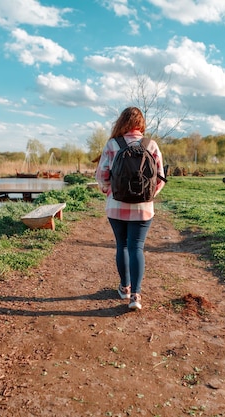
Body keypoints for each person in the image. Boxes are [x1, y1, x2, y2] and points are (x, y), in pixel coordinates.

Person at [95, 107, 166, 310]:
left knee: (122, 245)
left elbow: (101, 176)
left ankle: (124, 288)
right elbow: (160, 178)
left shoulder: (112, 144)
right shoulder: (151, 145)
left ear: (122, 123)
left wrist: (108, 191)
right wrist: (147, 196)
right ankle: (136, 296)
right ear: (141, 124)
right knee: (137, 247)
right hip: (143, 209)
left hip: (116, 206)